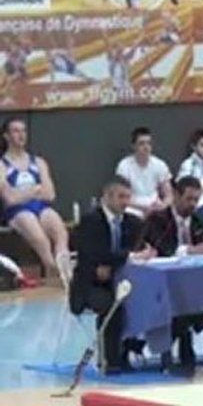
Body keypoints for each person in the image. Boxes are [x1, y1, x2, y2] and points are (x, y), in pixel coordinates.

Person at [140, 176, 203, 373]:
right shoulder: (158, 219)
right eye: (189, 199)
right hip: (161, 284)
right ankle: (176, 347)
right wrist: (191, 250)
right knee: (177, 305)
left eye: (196, 200)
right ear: (175, 196)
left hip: (195, 285)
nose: (193, 204)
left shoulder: (199, 218)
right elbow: (162, 249)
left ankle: (183, 337)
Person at [69, 176, 155, 373]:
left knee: (143, 299)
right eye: (121, 197)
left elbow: (140, 249)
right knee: (113, 305)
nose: (125, 202)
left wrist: (138, 255)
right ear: (107, 196)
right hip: (90, 284)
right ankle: (110, 360)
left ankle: (131, 350)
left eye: (128, 197)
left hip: (121, 281)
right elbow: (93, 254)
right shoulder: (90, 220)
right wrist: (127, 257)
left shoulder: (133, 223)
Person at [0, 117, 70, 280]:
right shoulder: (2, 165)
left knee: (59, 230)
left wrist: (22, 193)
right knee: (37, 234)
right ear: (6, 136)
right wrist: (35, 190)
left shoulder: (38, 162)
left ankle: (64, 268)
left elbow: (50, 194)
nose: (21, 135)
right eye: (16, 131)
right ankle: (53, 270)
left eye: (24, 131)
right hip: (16, 212)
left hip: (40, 207)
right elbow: (9, 199)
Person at [116, 126, 173, 217]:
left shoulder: (160, 165)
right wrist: (143, 208)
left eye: (149, 143)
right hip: (132, 207)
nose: (146, 147)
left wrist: (162, 206)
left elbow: (169, 195)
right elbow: (121, 196)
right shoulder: (124, 166)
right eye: (141, 144)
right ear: (133, 146)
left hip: (155, 207)